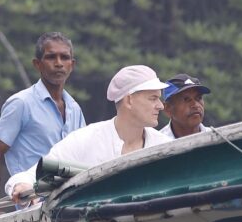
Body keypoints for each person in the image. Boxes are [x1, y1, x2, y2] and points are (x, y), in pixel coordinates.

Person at [0, 32, 83, 204]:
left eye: (64, 57)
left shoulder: (75, 108)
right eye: (51, 57)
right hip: (31, 203)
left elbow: (82, 155)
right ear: (37, 64)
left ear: (71, 65)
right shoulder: (21, 104)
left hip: (68, 201)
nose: (59, 63)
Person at [36, 64, 166, 174]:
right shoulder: (86, 139)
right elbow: (42, 171)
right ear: (129, 100)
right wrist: (21, 183)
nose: (160, 106)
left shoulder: (165, 146)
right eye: (153, 98)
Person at [154, 75, 210, 139]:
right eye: (186, 99)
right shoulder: (157, 143)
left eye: (198, 98)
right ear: (167, 109)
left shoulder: (218, 138)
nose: (195, 105)